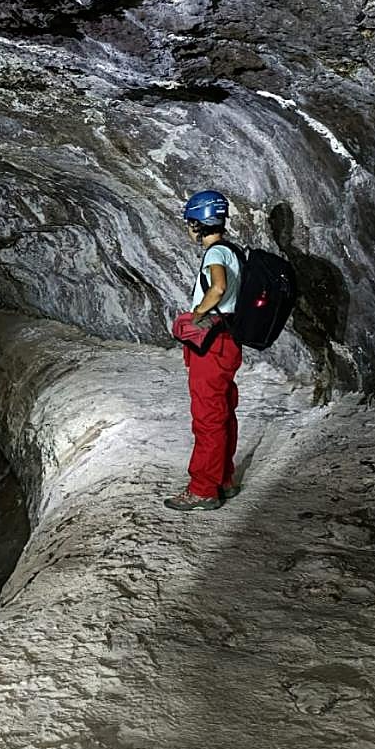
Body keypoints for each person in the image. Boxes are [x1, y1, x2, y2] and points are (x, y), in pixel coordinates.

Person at [164, 190, 243, 512]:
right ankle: (223, 478)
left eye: (189, 222)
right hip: (229, 341)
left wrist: (197, 315)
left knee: (207, 418)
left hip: (212, 345)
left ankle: (202, 490)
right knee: (223, 411)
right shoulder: (234, 251)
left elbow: (219, 287)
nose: (188, 228)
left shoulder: (214, 254)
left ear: (198, 222)